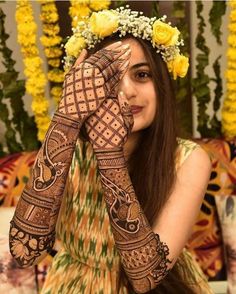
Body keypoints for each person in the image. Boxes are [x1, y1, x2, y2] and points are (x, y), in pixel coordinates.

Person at [9, 7, 213, 294]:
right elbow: (23, 250)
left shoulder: (188, 159)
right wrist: (67, 117)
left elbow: (144, 277)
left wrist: (109, 150)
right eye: (108, 78)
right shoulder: (70, 151)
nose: (126, 91)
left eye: (141, 75)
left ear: (161, 84)